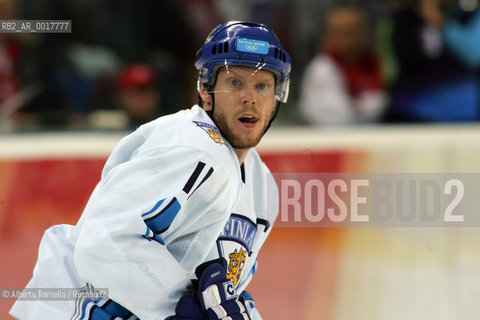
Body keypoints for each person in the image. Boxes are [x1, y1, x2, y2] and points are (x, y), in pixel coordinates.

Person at [10, 20, 291, 320]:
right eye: (235, 83)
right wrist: (180, 308)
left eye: (262, 85)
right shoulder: (191, 145)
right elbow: (105, 241)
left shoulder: (262, 189)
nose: (250, 97)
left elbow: (223, 291)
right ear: (206, 90)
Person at [299, 5, 388, 125]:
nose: (347, 39)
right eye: (339, 32)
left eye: (352, 31)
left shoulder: (374, 63)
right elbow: (336, 119)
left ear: (366, 32)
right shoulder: (321, 70)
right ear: (329, 36)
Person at [116, 63, 161, 130]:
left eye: (146, 94)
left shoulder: (168, 127)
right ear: (122, 97)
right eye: (134, 95)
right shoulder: (108, 128)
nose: (141, 100)